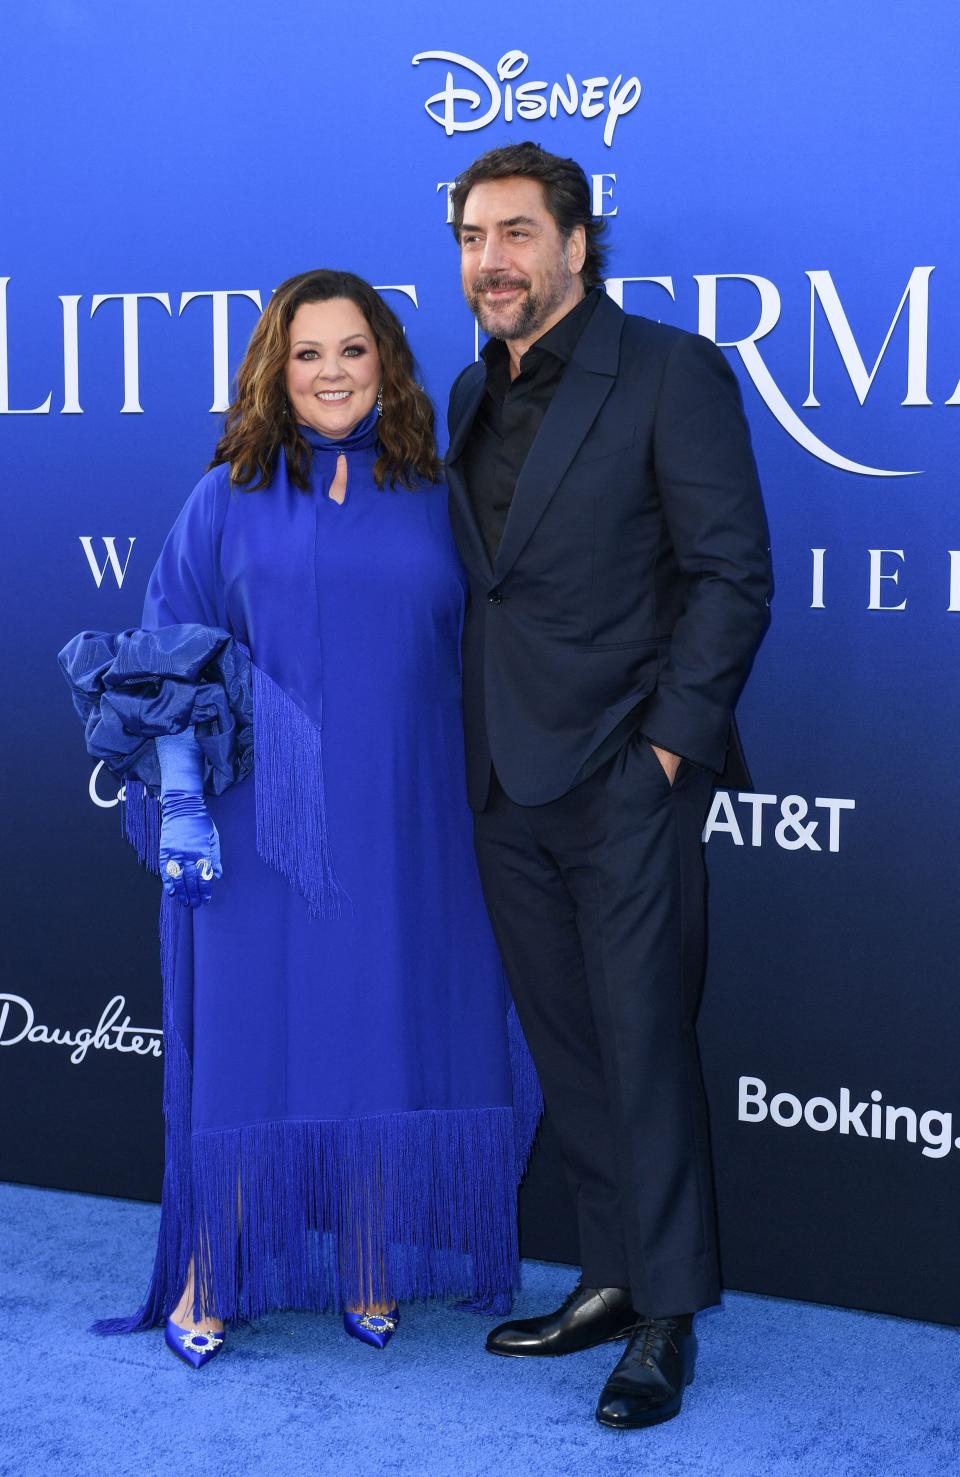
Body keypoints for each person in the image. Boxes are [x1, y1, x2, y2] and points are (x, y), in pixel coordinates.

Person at [59, 269, 538, 1368]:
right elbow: (167, 648)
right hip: (261, 819)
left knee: (388, 1028)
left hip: (412, 817)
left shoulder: (439, 490)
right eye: (308, 352)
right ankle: (210, 1268)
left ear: (389, 364)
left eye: (353, 350)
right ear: (276, 368)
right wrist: (181, 796)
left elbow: (499, 645)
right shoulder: (225, 492)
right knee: (250, 1043)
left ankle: (372, 1255)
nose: (331, 373)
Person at [445, 142, 772, 1429]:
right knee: (570, 1045)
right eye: (474, 238)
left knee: (643, 1046)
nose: (493, 262)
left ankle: (671, 1318)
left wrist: (667, 754)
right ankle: (610, 1274)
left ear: (579, 244)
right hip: (500, 775)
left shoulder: (669, 372)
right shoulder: (471, 394)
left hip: (623, 774)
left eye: (519, 234)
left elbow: (730, 573)